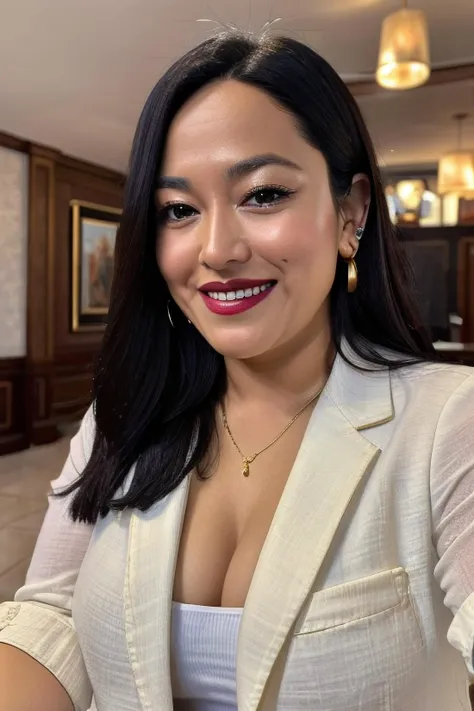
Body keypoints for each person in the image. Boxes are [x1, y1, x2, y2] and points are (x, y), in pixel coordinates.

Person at [1, 31, 473, 711]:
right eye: (179, 210)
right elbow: (50, 616)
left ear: (351, 211)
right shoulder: (126, 413)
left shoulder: (448, 423)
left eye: (262, 194)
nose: (217, 249)